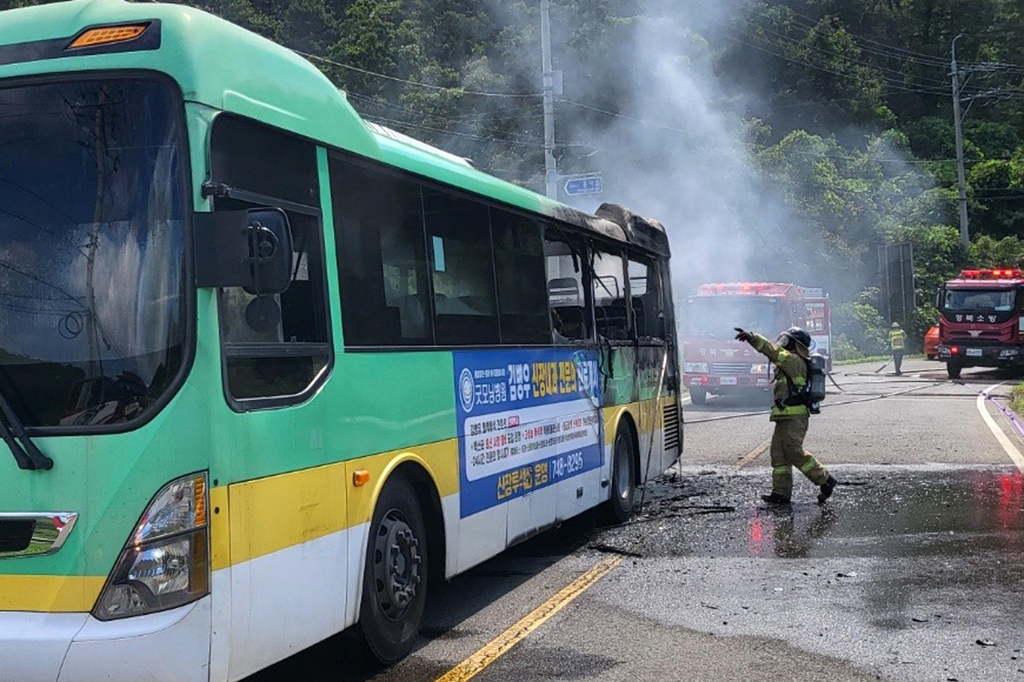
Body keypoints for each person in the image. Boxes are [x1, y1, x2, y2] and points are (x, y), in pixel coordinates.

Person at [734, 326, 837, 505]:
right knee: (779, 454)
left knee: (793, 451)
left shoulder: (793, 360)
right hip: (784, 416)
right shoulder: (790, 361)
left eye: (786, 340)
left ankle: (825, 479)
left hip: (795, 416)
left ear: (794, 344)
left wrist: (752, 338)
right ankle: (781, 493)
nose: (783, 343)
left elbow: (772, 351)